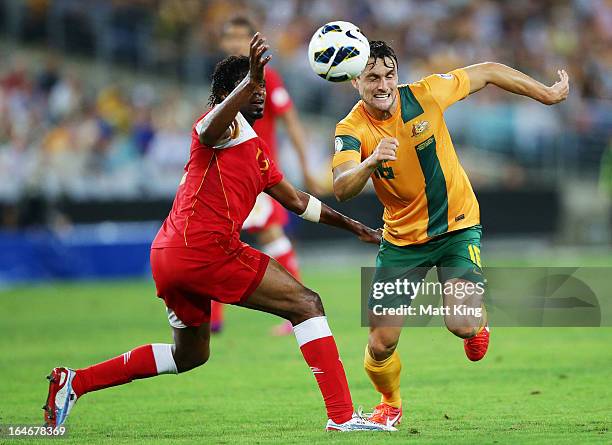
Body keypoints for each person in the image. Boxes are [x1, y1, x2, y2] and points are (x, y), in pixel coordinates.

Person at [42, 34, 395, 432]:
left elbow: (298, 202)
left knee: (189, 355)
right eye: (254, 88)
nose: (261, 94)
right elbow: (211, 127)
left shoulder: (256, 150)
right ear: (233, 92)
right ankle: (343, 417)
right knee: (307, 304)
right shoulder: (219, 130)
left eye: (262, 87)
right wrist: (248, 82)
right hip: (205, 249)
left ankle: (75, 381)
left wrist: (356, 227)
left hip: (170, 254)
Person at [331, 40, 570, 427]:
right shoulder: (352, 128)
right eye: (372, 77)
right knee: (380, 344)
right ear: (355, 80)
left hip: (457, 225)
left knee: (461, 323)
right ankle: (389, 403)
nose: (383, 85)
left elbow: (489, 70)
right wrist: (371, 161)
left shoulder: (427, 93)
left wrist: (545, 94)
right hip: (401, 242)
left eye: (389, 75)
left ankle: (478, 320)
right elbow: (341, 186)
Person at [210, 15, 321, 335]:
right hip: (225, 171)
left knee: (264, 234)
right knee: (220, 236)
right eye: (229, 38)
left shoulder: (268, 79)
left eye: (241, 38)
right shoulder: (224, 80)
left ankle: (297, 307)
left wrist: (306, 166)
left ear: (251, 42)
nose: (234, 44)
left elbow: (292, 123)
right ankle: (215, 318)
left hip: (257, 172)